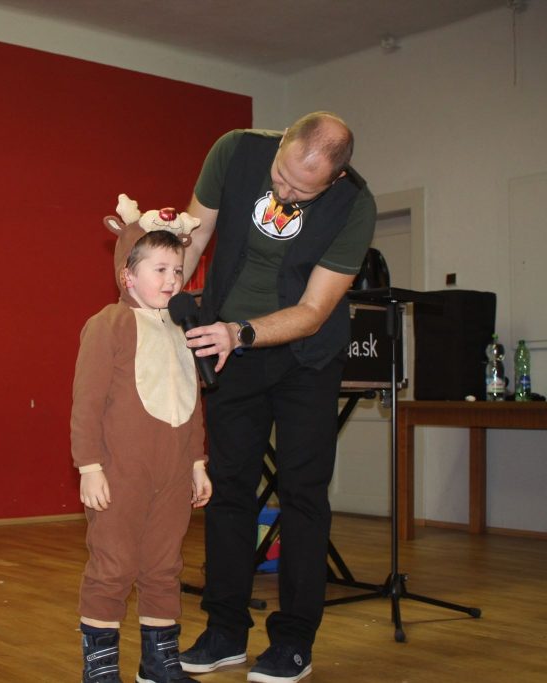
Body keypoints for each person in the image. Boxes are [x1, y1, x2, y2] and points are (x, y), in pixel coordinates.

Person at [176, 113, 376, 683]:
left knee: (302, 494)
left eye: (302, 192)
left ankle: (293, 642)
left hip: (305, 359)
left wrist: (240, 332)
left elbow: (313, 311)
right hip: (229, 350)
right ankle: (224, 632)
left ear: (334, 180)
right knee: (228, 489)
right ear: (282, 142)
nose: (285, 193)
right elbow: (194, 239)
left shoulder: (354, 205)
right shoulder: (235, 151)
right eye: (281, 177)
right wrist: (159, 294)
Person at [72, 195, 214, 683]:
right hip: (120, 474)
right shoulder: (107, 324)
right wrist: (89, 466)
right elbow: (86, 403)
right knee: (112, 566)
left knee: (164, 565)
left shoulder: (182, 330)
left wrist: (196, 463)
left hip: (172, 473)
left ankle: (159, 662)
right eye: (160, 270)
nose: (172, 280)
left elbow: (192, 403)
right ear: (128, 275)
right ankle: (100, 667)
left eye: (177, 271)